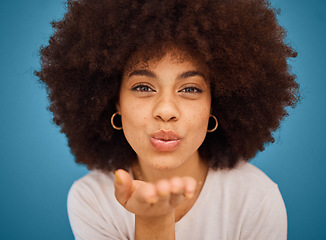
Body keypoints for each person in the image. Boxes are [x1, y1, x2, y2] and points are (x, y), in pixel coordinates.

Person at [36, 0, 300, 239]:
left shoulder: (256, 198)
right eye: (143, 87)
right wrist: (153, 220)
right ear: (114, 101)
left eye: (190, 89)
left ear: (214, 106)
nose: (165, 110)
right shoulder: (91, 198)